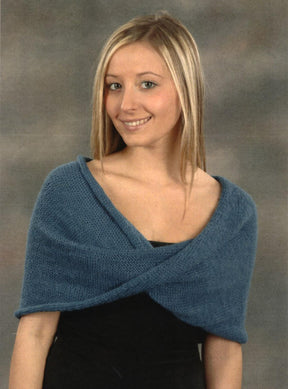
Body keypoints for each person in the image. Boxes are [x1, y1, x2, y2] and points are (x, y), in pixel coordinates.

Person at [9, 12, 257, 389]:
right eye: (114, 86)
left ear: (185, 89)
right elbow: (35, 334)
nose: (126, 105)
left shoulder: (233, 215)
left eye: (147, 84)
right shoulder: (68, 192)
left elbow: (223, 350)